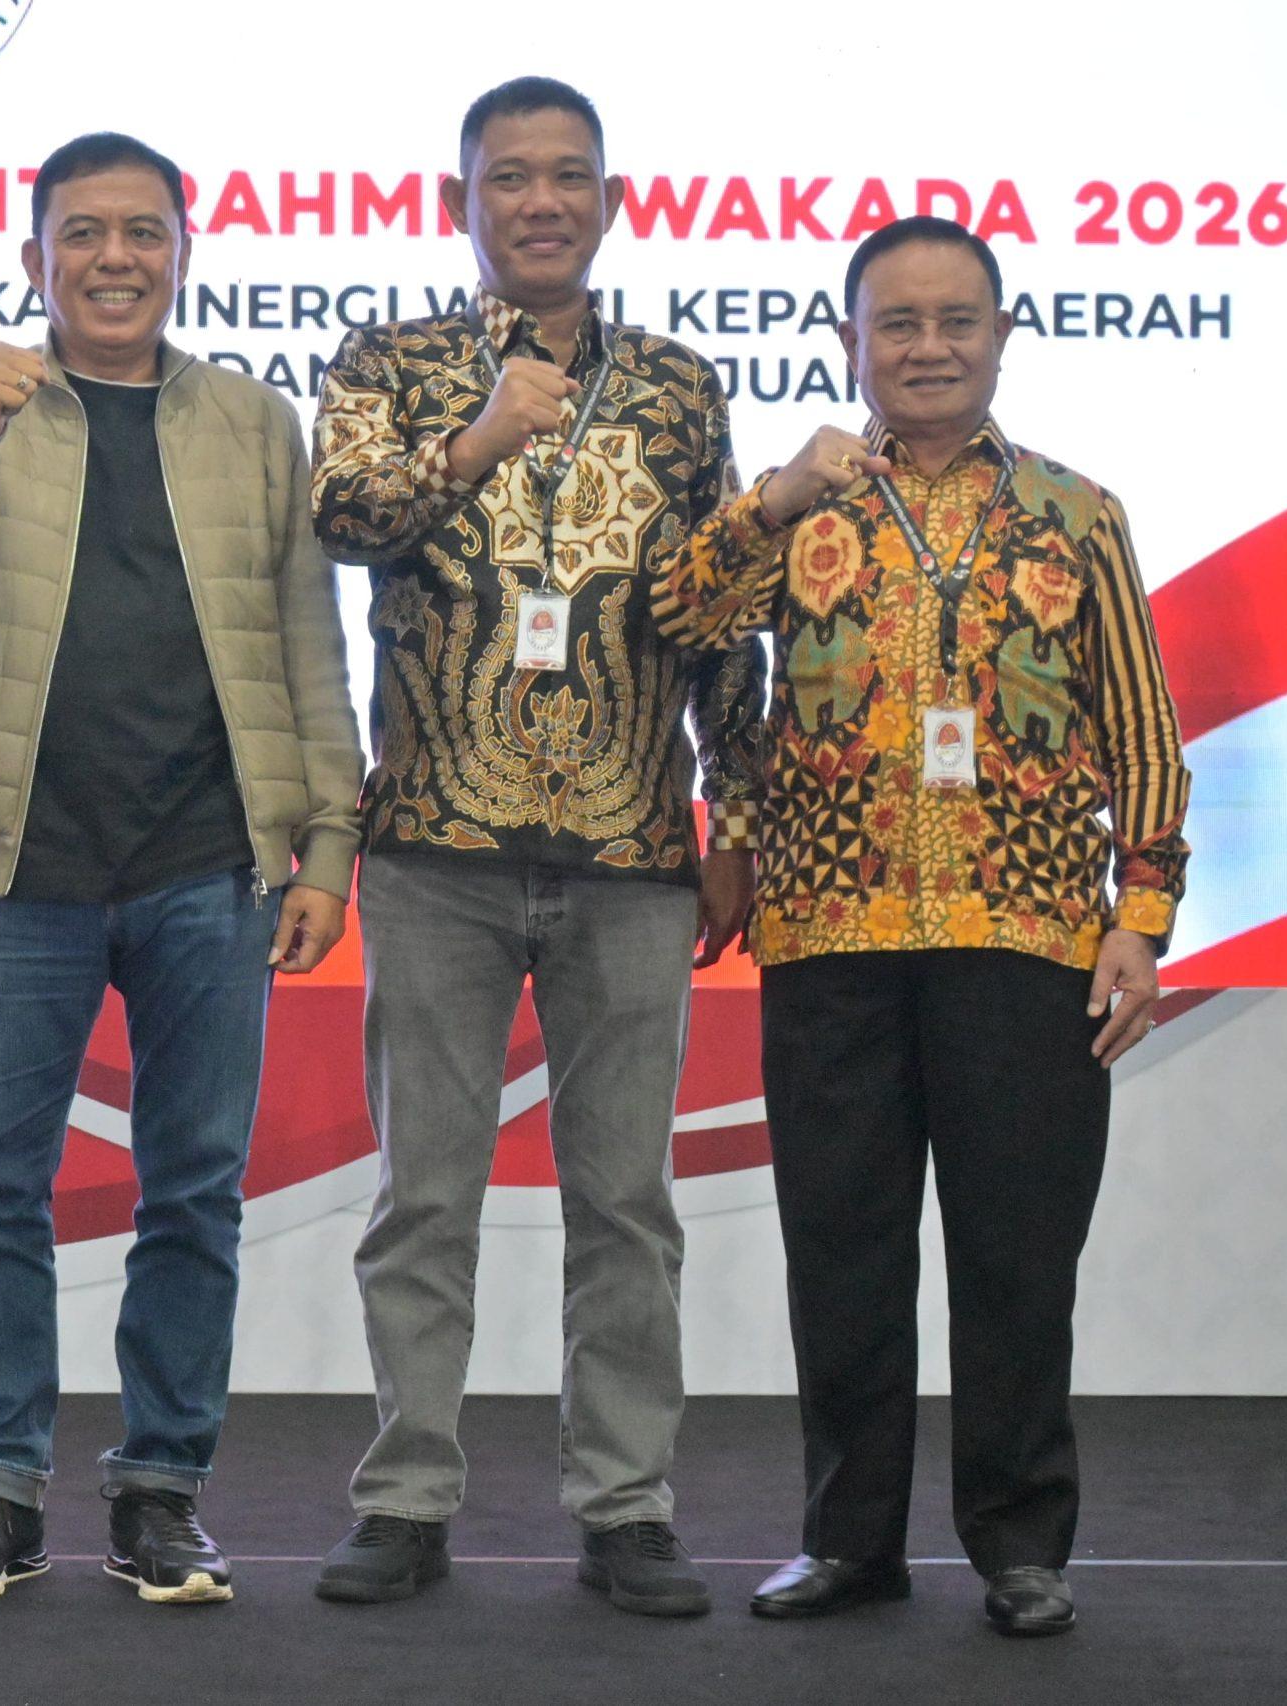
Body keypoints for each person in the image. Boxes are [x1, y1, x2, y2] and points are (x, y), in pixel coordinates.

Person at [654, 215, 1191, 1637]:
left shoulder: (1078, 514)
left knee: (1017, 1256)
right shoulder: (808, 503)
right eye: (899, 322)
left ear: (1004, 336)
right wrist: (771, 497)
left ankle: (1021, 1546)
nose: (930, 347)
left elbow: (1143, 730)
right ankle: (849, 1542)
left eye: (958, 321)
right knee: (843, 1251)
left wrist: (1141, 914)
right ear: (851, 342)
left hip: (1030, 940)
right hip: (829, 937)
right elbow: (677, 614)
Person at [0, 131, 364, 1606]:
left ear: (183, 253)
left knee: (193, 1192)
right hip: (17, 864)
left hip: (211, 863)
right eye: (83, 233)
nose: (115, 258)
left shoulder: (255, 423)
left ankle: (162, 1487)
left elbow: (309, 641)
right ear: (36, 257)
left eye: (143, 231)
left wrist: (329, 838)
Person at [306, 77, 768, 1615]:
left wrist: (737, 811)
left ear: (612, 203)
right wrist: (476, 439)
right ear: (463, 205)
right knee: (422, 1195)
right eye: (510, 178)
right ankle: (406, 1495)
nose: (542, 202)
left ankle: (626, 1503)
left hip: (633, 848)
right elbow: (341, 519)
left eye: (570, 176)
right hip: (432, 843)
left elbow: (723, 607)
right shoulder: (390, 362)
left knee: (624, 1202)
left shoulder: (681, 387)